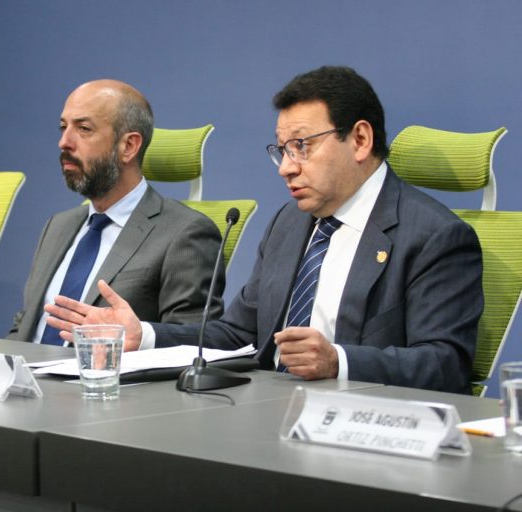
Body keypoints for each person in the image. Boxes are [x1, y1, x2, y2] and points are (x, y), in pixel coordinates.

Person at [44, 66, 483, 393]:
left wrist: (339, 361)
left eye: (303, 147)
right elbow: (236, 336)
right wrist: (145, 333)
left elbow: (445, 364)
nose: (287, 168)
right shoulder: (290, 224)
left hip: (363, 428)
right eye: (282, 150)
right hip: (267, 412)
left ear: (361, 140)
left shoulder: (435, 236)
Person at [8, 79, 224, 344]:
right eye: (63, 127)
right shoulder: (57, 226)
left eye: (83, 129)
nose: (64, 142)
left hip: (103, 382)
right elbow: (25, 327)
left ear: (129, 146)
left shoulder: (184, 233)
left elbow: (194, 344)